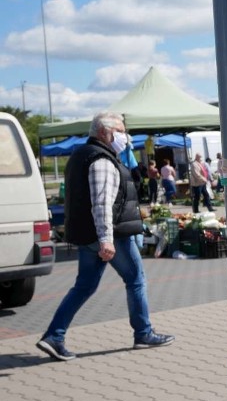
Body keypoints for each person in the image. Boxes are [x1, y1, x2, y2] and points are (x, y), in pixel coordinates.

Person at [35, 112, 175, 362]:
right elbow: (101, 205)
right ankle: (143, 333)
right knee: (136, 280)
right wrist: (106, 239)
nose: (125, 137)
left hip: (89, 235)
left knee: (84, 286)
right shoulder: (101, 160)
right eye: (120, 131)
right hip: (111, 235)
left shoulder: (81, 154)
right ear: (104, 133)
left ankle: (54, 336)